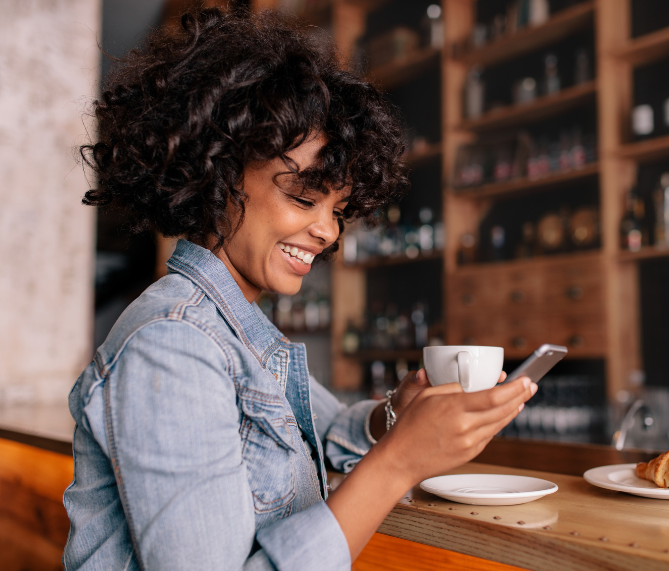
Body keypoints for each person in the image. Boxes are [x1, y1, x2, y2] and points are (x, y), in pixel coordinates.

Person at [63, 8, 536, 570]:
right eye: (304, 197)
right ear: (218, 174)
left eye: (338, 209)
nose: (328, 230)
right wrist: (398, 464)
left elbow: (328, 429)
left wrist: (393, 418)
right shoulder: (174, 344)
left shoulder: (237, 330)